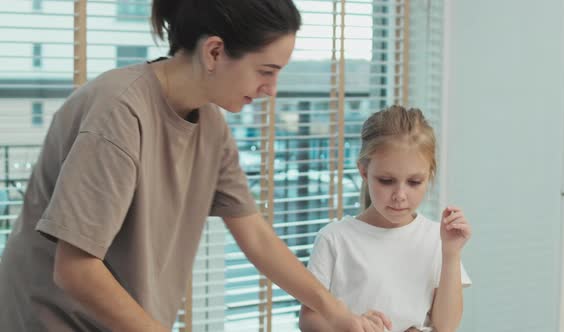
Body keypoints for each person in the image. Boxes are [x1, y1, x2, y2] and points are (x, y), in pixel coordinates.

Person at [0, 1, 392, 331]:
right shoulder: (119, 111)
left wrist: (337, 312)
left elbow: (253, 232)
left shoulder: (211, 127)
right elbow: (75, 270)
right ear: (215, 52)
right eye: (266, 71)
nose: (272, 90)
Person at [299, 106, 473, 332]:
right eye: (386, 180)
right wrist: (352, 326)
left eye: (414, 182)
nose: (400, 195)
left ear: (429, 175)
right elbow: (308, 320)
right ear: (364, 172)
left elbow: (446, 326)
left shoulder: (436, 239)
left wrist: (451, 254)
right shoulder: (335, 239)